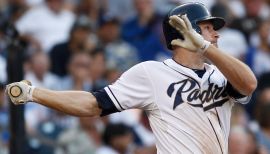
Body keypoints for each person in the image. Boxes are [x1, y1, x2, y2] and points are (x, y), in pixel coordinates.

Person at [6, 2, 257, 153]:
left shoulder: (220, 74)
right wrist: (33, 93)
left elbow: (249, 84)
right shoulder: (151, 72)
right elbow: (93, 104)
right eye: (208, 28)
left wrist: (204, 47)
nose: (216, 35)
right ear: (185, 31)